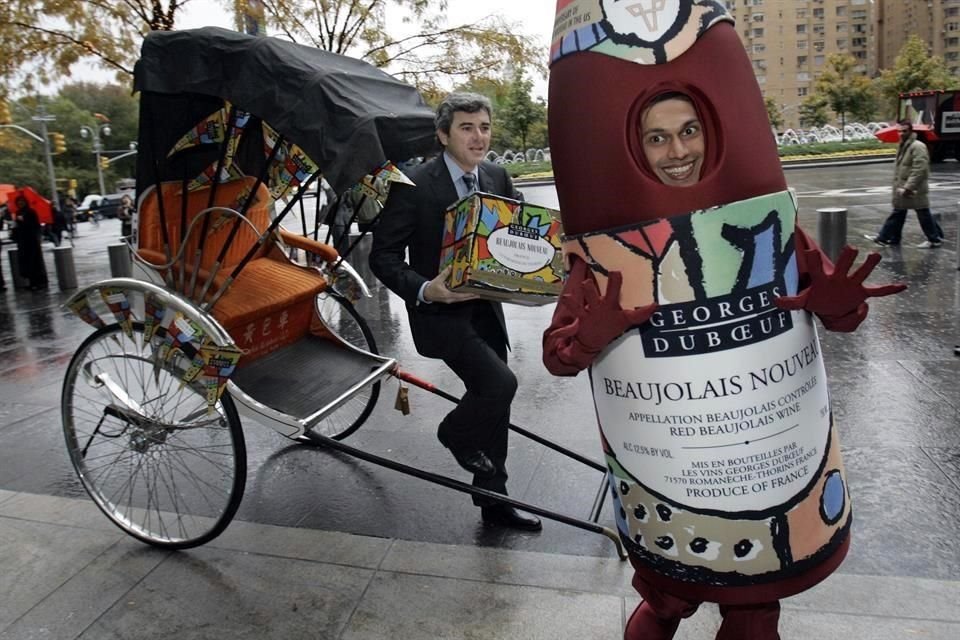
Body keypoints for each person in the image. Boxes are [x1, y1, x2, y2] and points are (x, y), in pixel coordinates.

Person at [544, 87, 904, 640]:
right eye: (656, 138)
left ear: (712, 134)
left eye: (689, 130)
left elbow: (836, 306)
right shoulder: (605, 255)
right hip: (671, 487)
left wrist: (841, 308)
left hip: (767, 490)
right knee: (664, 606)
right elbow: (558, 356)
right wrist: (589, 337)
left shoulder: (772, 226)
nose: (678, 151)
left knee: (754, 617)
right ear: (636, 152)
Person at [369, 92, 541, 531]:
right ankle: (454, 434)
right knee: (499, 384)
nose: (478, 136)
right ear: (443, 134)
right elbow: (383, 257)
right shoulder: (414, 186)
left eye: (484, 127)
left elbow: (518, 234)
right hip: (441, 316)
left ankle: (493, 499)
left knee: (494, 403)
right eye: (467, 127)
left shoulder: (498, 176)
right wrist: (428, 290)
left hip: (488, 311)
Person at [866, 119, 943, 248]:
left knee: (920, 213)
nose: (901, 133)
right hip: (905, 188)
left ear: (911, 131)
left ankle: (934, 239)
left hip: (914, 189)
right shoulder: (904, 145)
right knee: (902, 212)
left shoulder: (917, 146)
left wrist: (908, 187)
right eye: (899, 131)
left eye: (904, 131)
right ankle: (892, 238)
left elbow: (920, 169)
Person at [12, 195, 48, 290]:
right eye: (19, 202)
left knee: (34, 261)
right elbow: (17, 228)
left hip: (32, 241)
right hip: (22, 241)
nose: (20, 203)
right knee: (26, 262)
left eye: (22, 201)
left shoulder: (31, 211)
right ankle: (31, 282)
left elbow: (35, 225)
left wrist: (24, 220)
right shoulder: (18, 213)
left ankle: (39, 282)